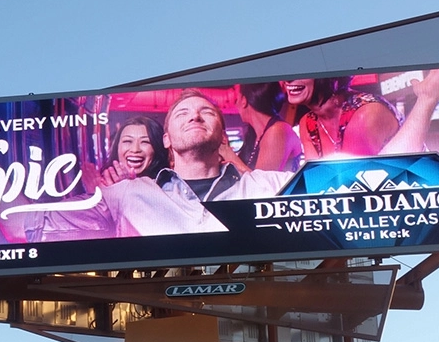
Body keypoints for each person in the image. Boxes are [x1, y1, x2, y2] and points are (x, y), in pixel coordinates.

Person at [22, 89, 293, 242]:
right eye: (182, 113)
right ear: (167, 139)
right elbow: (22, 224)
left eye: (206, 112)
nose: (195, 116)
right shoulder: (128, 193)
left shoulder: (266, 186)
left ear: (223, 136)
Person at [280, 69, 439, 159]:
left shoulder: (365, 113)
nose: (287, 79)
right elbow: (318, 184)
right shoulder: (308, 123)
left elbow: (354, 184)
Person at [220, 82, 301, 172]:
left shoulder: (277, 130)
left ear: (244, 101)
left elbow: (262, 183)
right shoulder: (254, 135)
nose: (235, 105)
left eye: (236, 99)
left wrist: (226, 152)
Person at [98, 116, 169, 184]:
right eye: (127, 141)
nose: (135, 150)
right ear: (117, 147)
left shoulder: (169, 187)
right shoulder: (101, 185)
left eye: (145, 142)